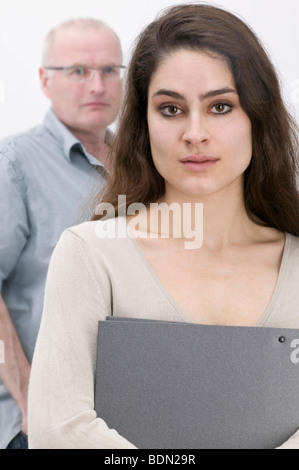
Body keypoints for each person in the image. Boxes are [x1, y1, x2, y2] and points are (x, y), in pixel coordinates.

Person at [28, 3, 299, 449]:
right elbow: (58, 428)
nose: (195, 132)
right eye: (171, 109)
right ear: (144, 124)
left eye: (221, 106)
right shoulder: (91, 254)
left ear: (258, 115)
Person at [0, 18, 124, 449]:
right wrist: (28, 395)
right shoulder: (13, 163)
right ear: (44, 80)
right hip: (39, 425)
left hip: (118, 424)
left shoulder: (142, 167)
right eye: (78, 71)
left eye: (110, 70)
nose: (97, 85)